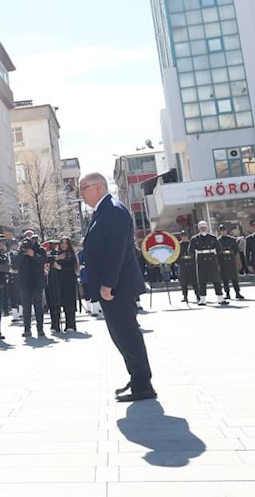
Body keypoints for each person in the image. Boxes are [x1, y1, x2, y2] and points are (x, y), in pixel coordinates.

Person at [79, 173, 155, 403]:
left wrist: (107, 284)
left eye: (84, 188)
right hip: (113, 287)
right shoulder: (104, 210)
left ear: (99, 187)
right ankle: (137, 377)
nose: (81, 193)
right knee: (121, 336)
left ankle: (143, 385)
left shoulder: (112, 209)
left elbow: (117, 250)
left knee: (127, 335)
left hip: (117, 287)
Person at [17, 237, 47, 338]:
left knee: (38, 306)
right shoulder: (21, 251)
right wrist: (23, 252)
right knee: (26, 307)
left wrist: (33, 255)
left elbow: (43, 260)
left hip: (37, 282)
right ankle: (27, 329)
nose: (30, 241)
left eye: (32, 239)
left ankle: (40, 329)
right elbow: (15, 264)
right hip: (24, 283)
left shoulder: (40, 249)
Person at [189, 221, 225, 305]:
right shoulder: (195, 239)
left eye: (204, 227)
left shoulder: (213, 237)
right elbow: (190, 251)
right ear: (199, 228)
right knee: (202, 280)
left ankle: (220, 297)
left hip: (212, 259)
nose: (203, 229)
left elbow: (219, 249)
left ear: (207, 228)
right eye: (201, 227)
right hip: (201, 260)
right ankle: (202, 299)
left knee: (216, 278)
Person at [50, 237, 79, 332]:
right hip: (57, 282)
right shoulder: (56, 254)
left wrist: (61, 267)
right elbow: (49, 261)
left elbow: (71, 267)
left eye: (65, 243)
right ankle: (55, 325)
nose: (63, 245)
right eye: (62, 243)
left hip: (68, 282)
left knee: (69, 304)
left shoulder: (71, 255)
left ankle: (70, 324)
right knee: (55, 304)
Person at [217, 224, 244, 300]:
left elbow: (236, 249)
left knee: (234, 278)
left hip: (231, 260)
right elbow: (217, 251)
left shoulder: (232, 239)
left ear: (226, 231)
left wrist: (232, 253)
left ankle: (237, 293)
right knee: (225, 279)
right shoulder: (218, 240)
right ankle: (227, 293)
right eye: (222, 231)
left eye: (224, 230)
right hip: (223, 261)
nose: (223, 232)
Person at [176, 232, 197, 304]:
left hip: (192, 265)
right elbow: (176, 256)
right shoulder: (178, 245)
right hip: (183, 265)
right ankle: (185, 296)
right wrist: (179, 261)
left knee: (195, 282)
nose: (184, 238)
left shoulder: (191, 244)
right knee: (183, 282)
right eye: (183, 236)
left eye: (185, 236)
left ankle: (198, 295)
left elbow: (195, 253)